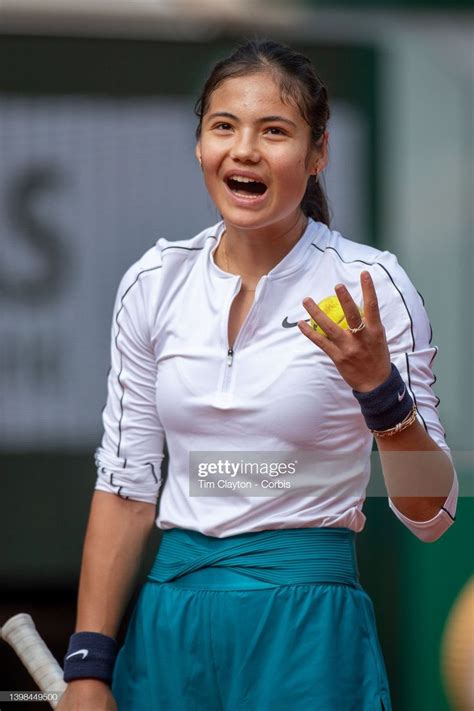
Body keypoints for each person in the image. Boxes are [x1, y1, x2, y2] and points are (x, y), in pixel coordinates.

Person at [57, 39, 459, 711]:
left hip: (307, 636)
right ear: (199, 145)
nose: (244, 149)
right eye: (224, 127)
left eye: (274, 131)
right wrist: (89, 663)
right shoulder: (153, 283)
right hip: (167, 629)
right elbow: (126, 485)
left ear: (317, 153)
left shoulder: (373, 285)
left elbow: (431, 513)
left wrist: (381, 393)